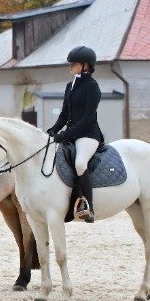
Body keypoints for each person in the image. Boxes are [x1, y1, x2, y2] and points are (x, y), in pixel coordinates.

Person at [47, 45, 103, 223]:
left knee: (80, 163)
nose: (70, 65)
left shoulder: (92, 87)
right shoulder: (69, 85)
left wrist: (66, 134)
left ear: (86, 65)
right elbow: (64, 114)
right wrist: (54, 130)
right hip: (71, 133)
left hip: (88, 134)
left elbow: (87, 118)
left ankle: (89, 207)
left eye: (74, 63)